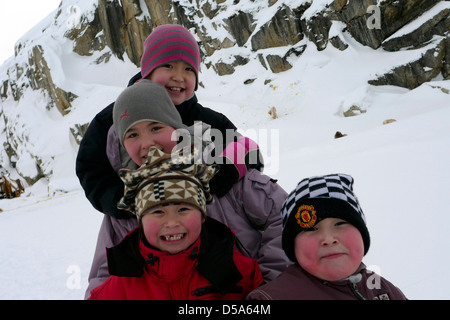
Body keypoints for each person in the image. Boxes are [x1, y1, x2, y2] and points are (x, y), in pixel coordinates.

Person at [85, 80, 290, 298]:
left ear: (176, 128)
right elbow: (103, 276)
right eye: (132, 134)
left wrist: (271, 285)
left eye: (156, 127)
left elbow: (285, 216)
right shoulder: (123, 202)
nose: (147, 143)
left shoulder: (221, 173)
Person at [75, 24, 262, 221]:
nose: (179, 76)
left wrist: (225, 171)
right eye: (168, 66)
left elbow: (249, 152)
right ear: (147, 70)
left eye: (188, 69)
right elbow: (90, 169)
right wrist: (125, 200)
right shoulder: (114, 119)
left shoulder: (208, 121)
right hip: (141, 229)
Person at [89, 147, 263, 299]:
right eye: (158, 212)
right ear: (140, 221)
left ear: (202, 216)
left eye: (183, 210)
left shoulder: (241, 272)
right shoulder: (118, 289)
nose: (171, 223)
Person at [247, 174, 407, 300]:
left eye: (340, 224)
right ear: (292, 246)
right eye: (311, 229)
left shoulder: (381, 289)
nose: (329, 239)